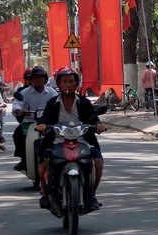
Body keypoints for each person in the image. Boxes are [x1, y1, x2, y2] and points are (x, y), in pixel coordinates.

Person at [35, 67, 106, 211]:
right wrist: (42, 125)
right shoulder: (52, 103)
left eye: (71, 81)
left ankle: (91, 195)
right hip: (56, 141)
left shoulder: (84, 102)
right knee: (42, 166)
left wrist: (98, 126)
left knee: (98, 162)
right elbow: (44, 119)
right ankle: (45, 194)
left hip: (83, 140)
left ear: (76, 83)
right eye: (65, 81)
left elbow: (93, 118)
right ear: (59, 84)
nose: (68, 85)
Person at [12, 66, 57, 171]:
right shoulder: (25, 93)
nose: (38, 80)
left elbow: (58, 104)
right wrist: (19, 110)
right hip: (30, 122)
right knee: (18, 134)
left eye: (41, 77)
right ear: (31, 80)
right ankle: (24, 159)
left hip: (47, 123)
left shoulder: (52, 92)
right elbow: (17, 104)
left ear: (45, 79)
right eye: (35, 77)